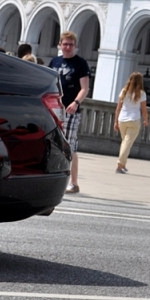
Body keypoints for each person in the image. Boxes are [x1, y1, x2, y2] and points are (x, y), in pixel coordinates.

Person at [50, 31, 91, 194]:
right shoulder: (55, 61)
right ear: (60, 45)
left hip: (70, 110)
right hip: (55, 109)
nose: (67, 47)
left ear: (75, 46)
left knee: (69, 145)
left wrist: (76, 102)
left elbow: (85, 88)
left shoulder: (80, 64)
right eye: (65, 44)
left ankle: (73, 182)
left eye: (70, 44)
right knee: (54, 144)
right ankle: (54, 178)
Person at [113, 71, 149, 173]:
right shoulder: (141, 94)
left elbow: (118, 108)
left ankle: (123, 165)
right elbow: (144, 110)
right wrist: (146, 120)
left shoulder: (124, 91)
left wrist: (116, 122)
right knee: (127, 143)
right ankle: (120, 165)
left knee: (125, 143)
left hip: (122, 120)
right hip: (134, 120)